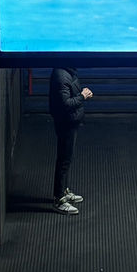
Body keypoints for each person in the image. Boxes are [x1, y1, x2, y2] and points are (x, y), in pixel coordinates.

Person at [49, 68, 93, 215]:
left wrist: (82, 94)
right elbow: (65, 104)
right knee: (64, 160)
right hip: (66, 124)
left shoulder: (69, 72)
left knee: (66, 159)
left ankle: (63, 190)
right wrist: (82, 96)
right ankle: (59, 199)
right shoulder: (62, 76)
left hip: (71, 122)